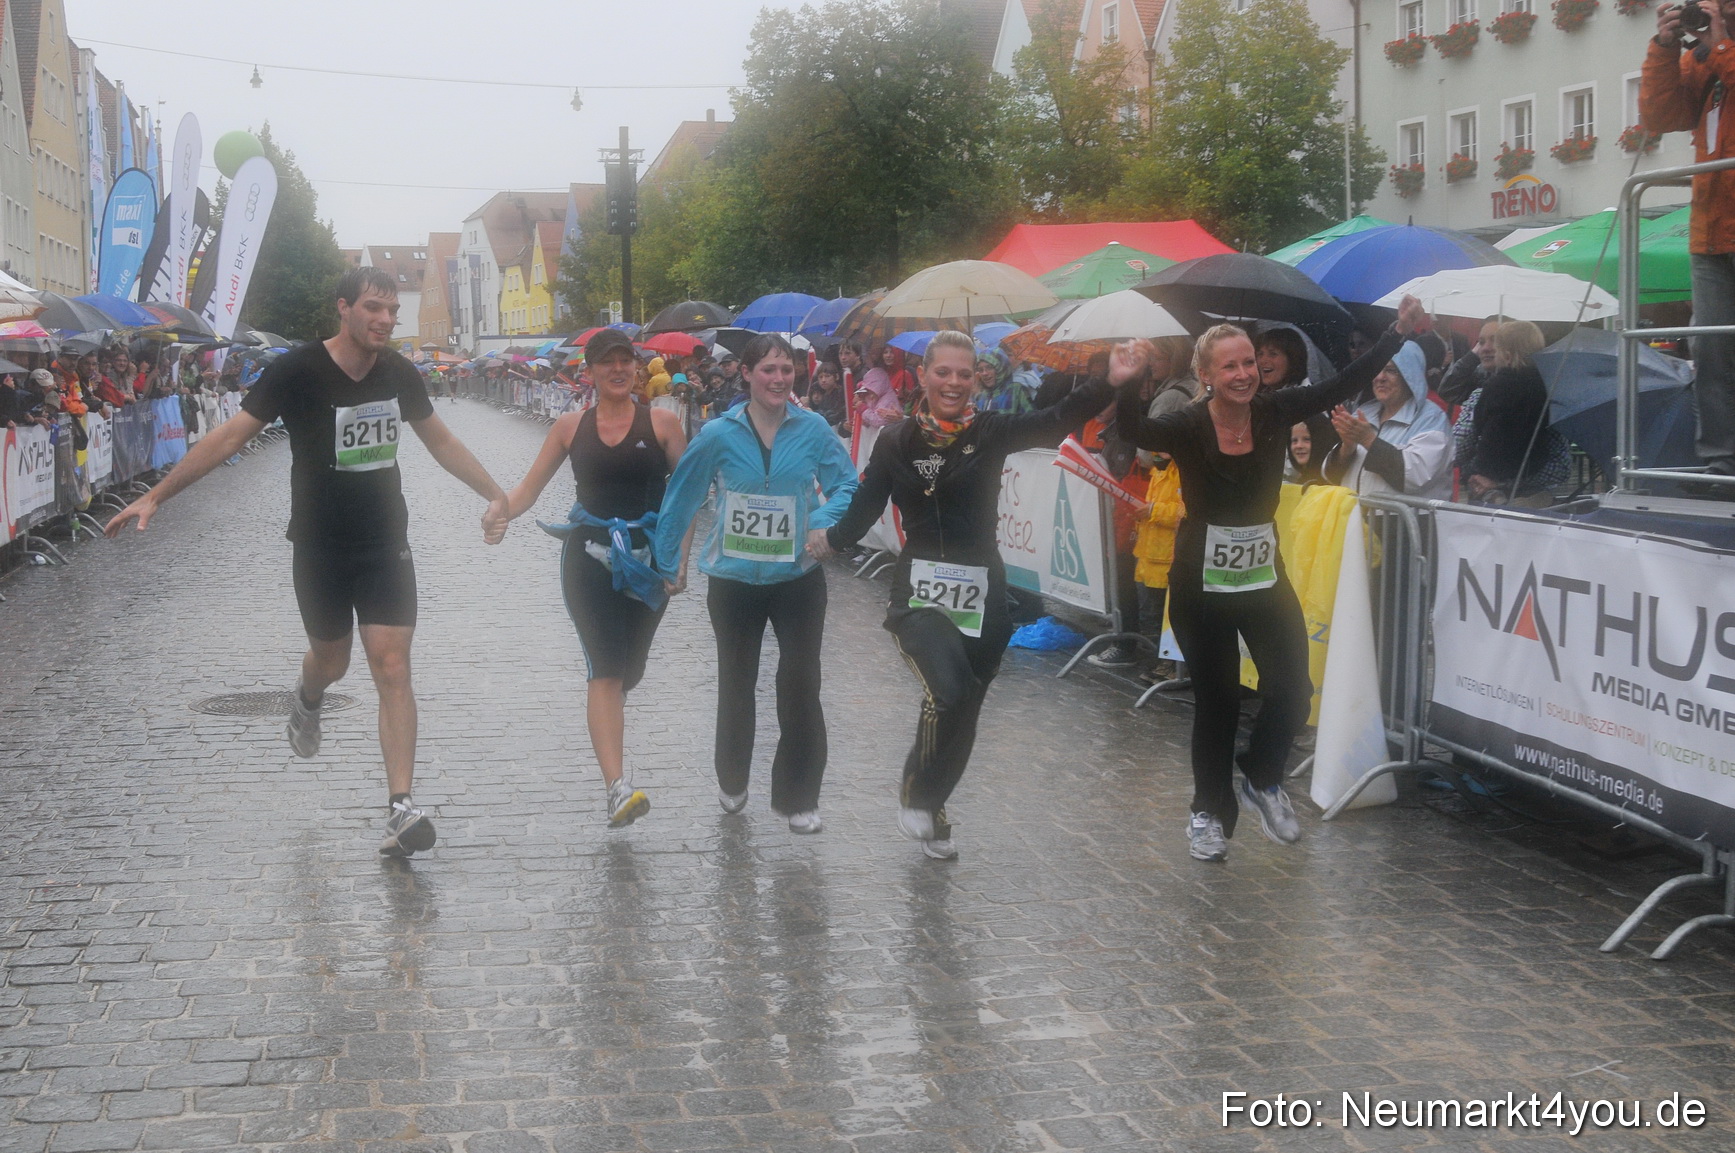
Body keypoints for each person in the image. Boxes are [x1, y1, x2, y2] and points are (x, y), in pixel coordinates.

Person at [104, 267, 510, 858]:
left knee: (391, 665)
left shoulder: (397, 371)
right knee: (332, 659)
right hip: (319, 545)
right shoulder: (295, 370)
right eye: (374, 308)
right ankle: (308, 695)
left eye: (392, 311)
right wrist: (156, 494)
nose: (385, 320)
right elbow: (228, 438)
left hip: (384, 542)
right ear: (342, 307)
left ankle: (400, 807)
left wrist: (493, 493)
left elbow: (440, 440)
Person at [1112, 296, 1425, 863]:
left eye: (1249, 363)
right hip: (1200, 585)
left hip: (1260, 577)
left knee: (1292, 686)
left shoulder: (1277, 411)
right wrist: (1128, 380)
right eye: (1228, 366)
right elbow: (1136, 427)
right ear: (1205, 376)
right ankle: (1209, 813)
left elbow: (1347, 381)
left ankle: (1261, 778)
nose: (1242, 374)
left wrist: (1396, 334)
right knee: (1219, 702)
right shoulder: (1186, 424)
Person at [815, 330, 1113, 860]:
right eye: (943, 372)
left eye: (964, 372)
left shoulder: (993, 430)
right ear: (925, 377)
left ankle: (934, 807)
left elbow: (1056, 418)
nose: (953, 382)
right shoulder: (898, 441)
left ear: (976, 378)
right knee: (947, 691)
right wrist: (832, 539)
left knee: (966, 707)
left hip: (984, 593)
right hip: (920, 595)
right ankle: (918, 792)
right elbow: (865, 507)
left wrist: (1110, 377)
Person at [654, 334, 858, 833]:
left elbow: (848, 484)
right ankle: (732, 776)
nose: (779, 378)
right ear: (746, 374)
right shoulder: (719, 434)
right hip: (734, 580)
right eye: (768, 369)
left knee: (801, 683)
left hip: (798, 578)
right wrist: (665, 560)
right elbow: (682, 495)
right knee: (737, 681)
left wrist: (823, 523)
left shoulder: (812, 429)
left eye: (786, 370)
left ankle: (800, 797)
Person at [482, 328, 687, 827]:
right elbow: (529, 488)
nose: (619, 370)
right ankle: (617, 788)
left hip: (645, 563)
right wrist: (499, 510)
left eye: (626, 361)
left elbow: (687, 497)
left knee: (628, 670)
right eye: (607, 362)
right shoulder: (570, 427)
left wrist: (677, 559)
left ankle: (613, 726)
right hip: (588, 557)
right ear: (589, 371)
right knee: (605, 668)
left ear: (637, 368)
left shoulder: (662, 424)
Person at [1643, 1, 1735, 492]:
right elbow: (1660, 114)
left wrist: (1718, 42)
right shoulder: (1704, 58)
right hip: (1711, 231)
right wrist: (1664, 46)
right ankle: (1722, 462)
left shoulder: (1718, 53)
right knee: (1712, 349)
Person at [1322, 341, 1452, 499]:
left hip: (1405, 522)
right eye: (1377, 370)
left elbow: (1418, 477)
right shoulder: (1364, 413)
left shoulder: (1431, 418)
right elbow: (1329, 475)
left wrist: (1368, 440)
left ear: (1410, 375)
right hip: (1356, 520)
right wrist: (1346, 448)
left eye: (1390, 370)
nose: (1380, 377)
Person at [1453, 320, 1556, 507]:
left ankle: (1493, 495)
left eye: (1496, 347)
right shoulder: (1547, 387)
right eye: (1481, 341)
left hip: (1490, 466)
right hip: (1531, 469)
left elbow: (1474, 427)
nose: (1487, 349)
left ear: (1507, 357)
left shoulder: (1495, 386)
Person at [1437, 317, 1501, 407]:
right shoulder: (1481, 376)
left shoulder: (1524, 387)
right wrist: (1472, 356)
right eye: (1481, 342)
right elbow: (1447, 391)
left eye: (1495, 340)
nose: (1485, 348)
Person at [855, 344, 904, 426]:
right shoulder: (879, 372)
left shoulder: (903, 374)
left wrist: (864, 410)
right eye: (885, 352)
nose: (888, 355)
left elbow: (878, 420)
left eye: (892, 352)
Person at [1254, 327, 1310, 392]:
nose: (1262, 361)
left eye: (1273, 354)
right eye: (1260, 354)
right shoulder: (1261, 394)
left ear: (1292, 359)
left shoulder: (1307, 398)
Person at [805, 359, 848, 429]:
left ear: (836, 377)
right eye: (820, 377)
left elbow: (833, 416)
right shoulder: (825, 394)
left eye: (827, 376)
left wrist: (813, 413)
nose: (823, 380)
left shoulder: (840, 394)